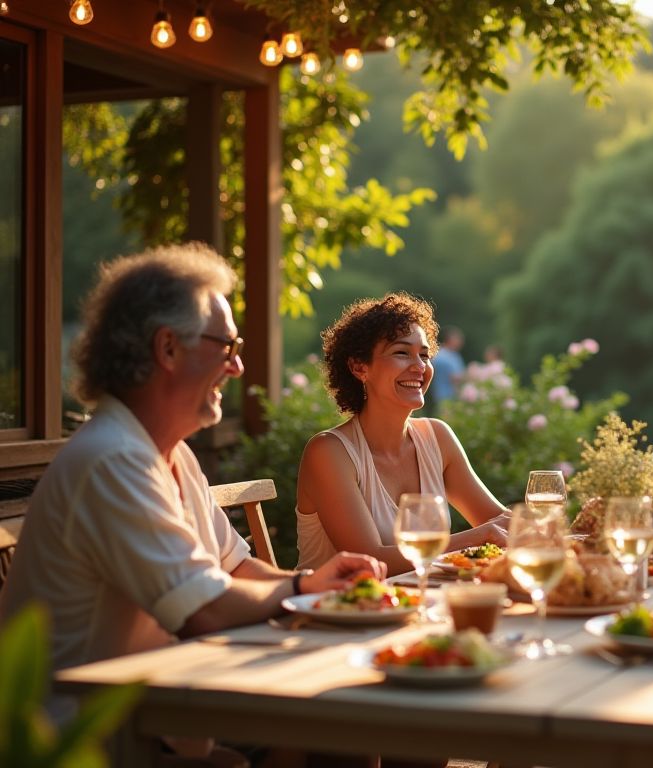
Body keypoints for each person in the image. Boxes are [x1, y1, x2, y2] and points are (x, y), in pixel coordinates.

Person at [0, 244, 384, 731]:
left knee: (359, 706)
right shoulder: (112, 459)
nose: (237, 367)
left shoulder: (169, 452)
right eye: (227, 347)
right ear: (167, 348)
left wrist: (329, 593)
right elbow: (203, 611)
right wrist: (307, 587)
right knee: (346, 720)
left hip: (161, 708)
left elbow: (238, 569)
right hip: (84, 740)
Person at [295, 294, 507, 575]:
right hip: (330, 611)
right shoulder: (329, 452)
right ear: (359, 367)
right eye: (401, 353)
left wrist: (565, 529)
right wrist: (477, 537)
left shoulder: (437, 437)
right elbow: (368, 561)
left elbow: (497, 519)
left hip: (417, 607)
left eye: (424, 355)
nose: (420, 367)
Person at [428, 325, 465, 404]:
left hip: (447, 396)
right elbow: (455, 377)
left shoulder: (453, 355)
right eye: (458, 339)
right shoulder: (445, 355)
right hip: (446, 397)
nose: (461, 342)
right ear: (451, 340)